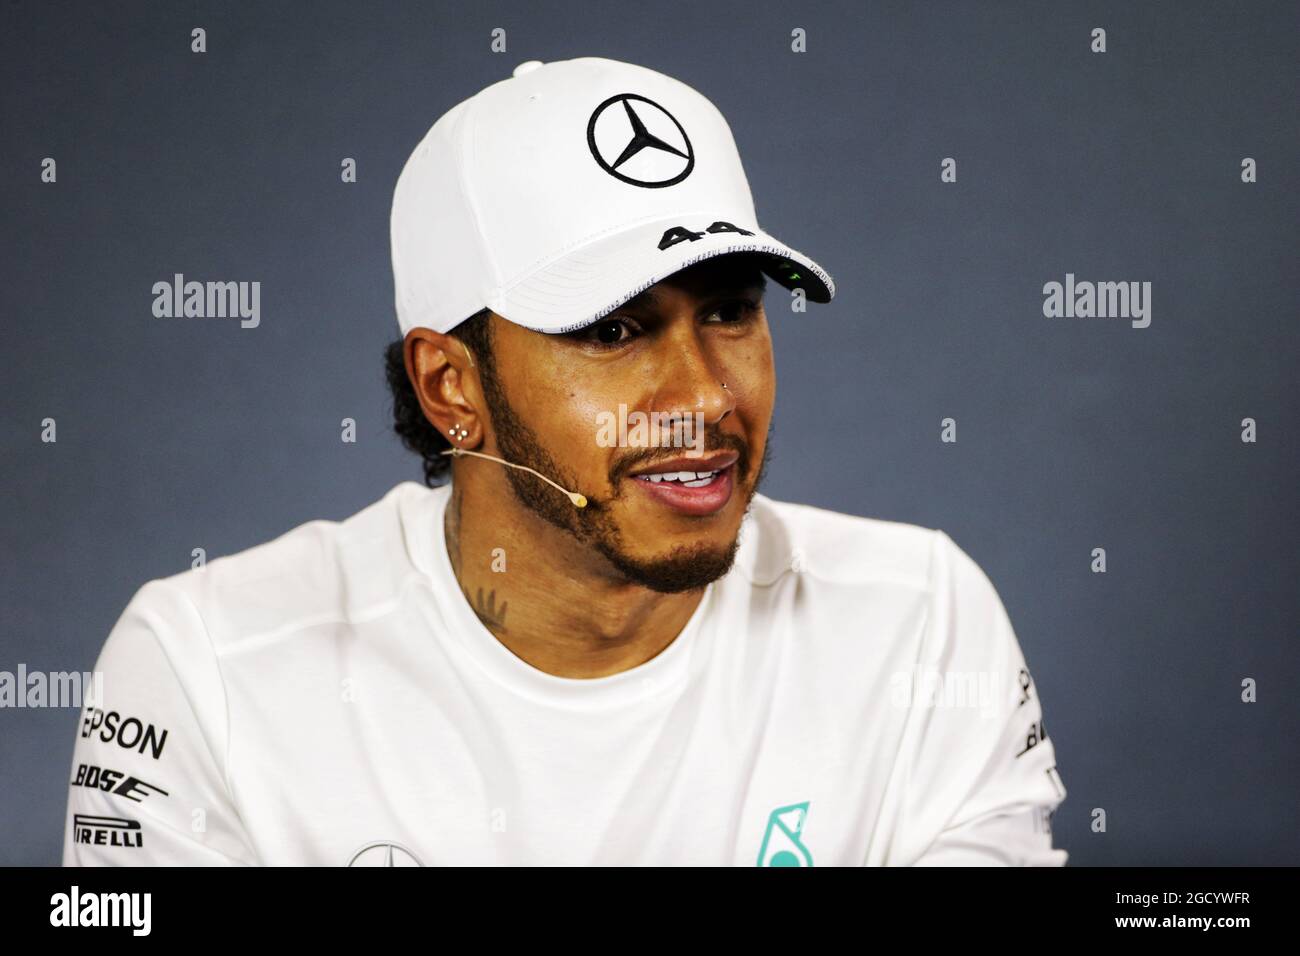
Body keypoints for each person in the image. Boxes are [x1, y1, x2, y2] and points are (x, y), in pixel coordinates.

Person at [63, 56, 1066, 866]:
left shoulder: (919, 619)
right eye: (614, 328)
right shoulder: (207, 666)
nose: (705, 396)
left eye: (728, 310)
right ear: (450, 384)